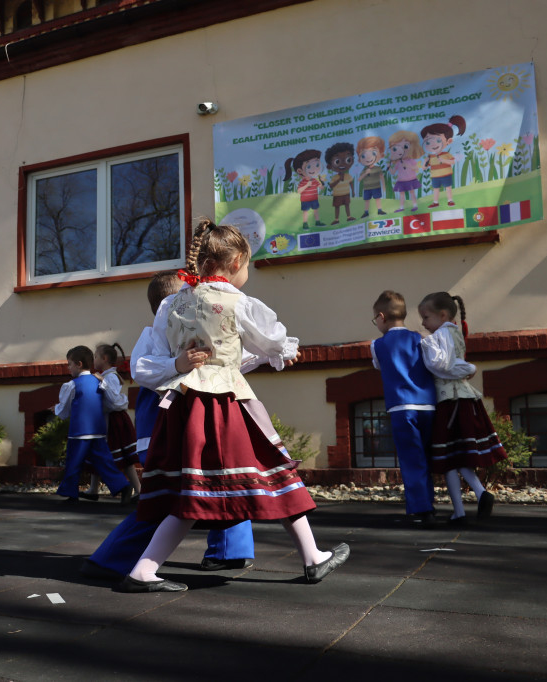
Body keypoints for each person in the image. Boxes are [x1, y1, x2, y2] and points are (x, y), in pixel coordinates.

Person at [119, 220, 349, 593]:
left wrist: (181, 365)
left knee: (192, 489)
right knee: (274, 468)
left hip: (183, 405)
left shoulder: (171, 303)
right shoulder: (237, 302)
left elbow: (157, 358)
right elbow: (270, 340)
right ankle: (312, 557)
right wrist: (282, 351)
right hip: (226, 405)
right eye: (248, 266)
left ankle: (145, 569)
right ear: (238, 259)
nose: (247, 274)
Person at [81, 271, 256, 582]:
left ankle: (230, 551)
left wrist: (273, 352)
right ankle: (113, 557)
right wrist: (178, 364)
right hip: (167, 431)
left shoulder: (203, 332)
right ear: (169, 306)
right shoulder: (155, 336)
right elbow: (142, 369)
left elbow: (233, 356)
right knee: (164, 499)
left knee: (226, 477)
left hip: (199, 424)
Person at [418, 291, 505, 526]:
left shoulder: (441, 334)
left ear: (443, 314)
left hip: (451, 401)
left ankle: (465, 506)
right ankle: (470, 501)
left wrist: (425, 344)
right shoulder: (453, 331)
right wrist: (467, 368)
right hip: (461, 399)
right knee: (454, 456)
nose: (423, 323)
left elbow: (441, 365)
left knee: (448, 457)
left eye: (426, 317)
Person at [369, 291, 437, 528]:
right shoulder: (422, 338)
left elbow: (379, 366)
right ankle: (430, 500)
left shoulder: (377, 345)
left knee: (411, 458)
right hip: (428, 404)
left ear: (381, 317)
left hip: (400, 407)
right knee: (427, 455)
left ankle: (421, 507)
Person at [81, 343, 141, 501]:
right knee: (98, 452)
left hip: (115, 421)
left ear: (104, 358)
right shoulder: (107, 376)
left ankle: (138, 489)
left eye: (95, 356)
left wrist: (102, 382)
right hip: (106, 420)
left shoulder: (110, 377)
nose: (93, 360)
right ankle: (93, 489)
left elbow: (114, 401)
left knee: (123, 457)